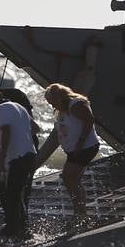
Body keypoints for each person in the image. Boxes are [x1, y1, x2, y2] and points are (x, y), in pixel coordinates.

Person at [33, 83, 100, 216]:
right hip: (75, 150)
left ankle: (80, 211)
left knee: (68, 177)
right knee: (73, 180)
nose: (52, 106)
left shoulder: (76, 104)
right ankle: (81, 211)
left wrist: (80, 143)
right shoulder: (62, 109)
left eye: (52, 102)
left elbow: (89, 120)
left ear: (58, 97)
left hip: (84, 148)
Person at [0, 89, 39, 237]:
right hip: (29, 154)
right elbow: (35, 128)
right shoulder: (19, 107)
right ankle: (22, 228)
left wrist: (2, 156)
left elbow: (6, 131)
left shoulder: (2, 109)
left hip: (17, 158)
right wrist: (22, 138)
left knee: (11, 195)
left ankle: (14, 229)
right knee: (17, 193)